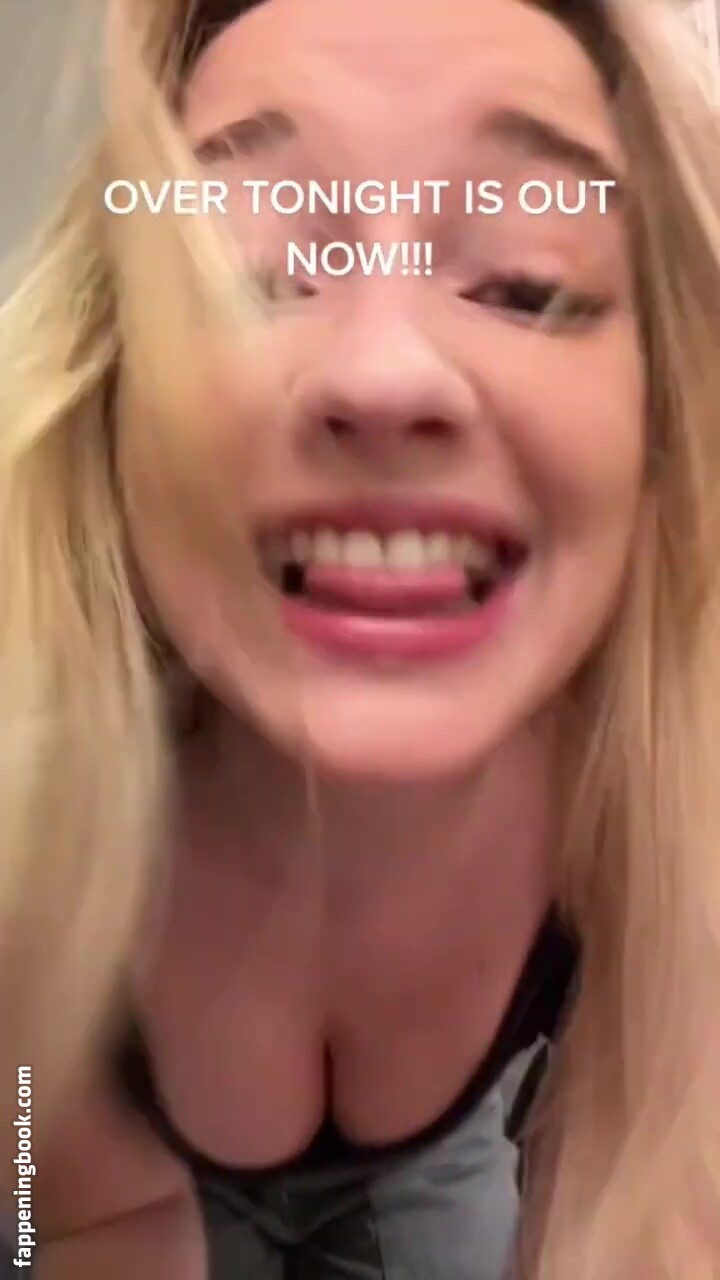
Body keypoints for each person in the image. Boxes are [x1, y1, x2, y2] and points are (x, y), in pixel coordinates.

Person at [1, 0, 720, 1276]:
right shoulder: (30, 820)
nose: (382, 373)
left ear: (659, 421)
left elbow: (643, 1217)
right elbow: (62, 1212)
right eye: (253, 276)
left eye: (525, 282)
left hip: (444, 1170)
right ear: (115, 398)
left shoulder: (658, 818)